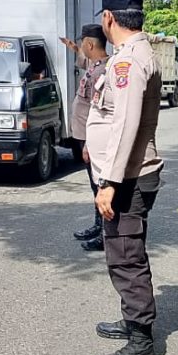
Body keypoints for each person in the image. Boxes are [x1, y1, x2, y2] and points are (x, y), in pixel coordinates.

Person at [86, 0, 163, 355]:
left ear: (108, 18)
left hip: (128, 178)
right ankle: (132, 321)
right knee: (125, 253)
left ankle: (142, 342)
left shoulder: (128, 62)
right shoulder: (131, 56)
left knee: (126, 258)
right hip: (127, 174)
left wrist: (110, 182)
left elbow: (126, 123)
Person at [61, 24, 109, 251]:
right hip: (83, 136)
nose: (81, 47)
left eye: (82, 44)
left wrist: (89, 143)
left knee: (99, 184)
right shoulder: (96, 64)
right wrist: (74, 49)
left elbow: (97, 109)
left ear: (90, 44)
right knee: (94, 185)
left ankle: (104, 234)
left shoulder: (102, 71)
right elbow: (84, 61)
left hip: (91, 139)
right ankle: (98, 225)